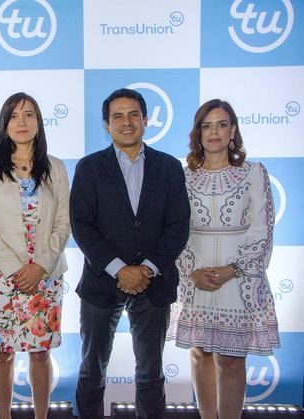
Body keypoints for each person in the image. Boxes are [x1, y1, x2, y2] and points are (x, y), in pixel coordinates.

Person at [70, 88, 191, 419]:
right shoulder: (89, 167)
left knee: (151, 372)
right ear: (106, 124)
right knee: (92, 370)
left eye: (133, 114)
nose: (126, 122)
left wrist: (147, 269)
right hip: (101, 282)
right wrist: (119, 269)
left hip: (154, 284)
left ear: (146, 120)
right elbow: (82, 225)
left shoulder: (168, 167)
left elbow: (178, 225)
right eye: (117, 116)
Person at [167, 99, 279, 419]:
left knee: (231, 360)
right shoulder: (182, 176)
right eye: (207, 125)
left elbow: (262, 228)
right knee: (200, 354)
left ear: (233, 131)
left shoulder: (254, 173)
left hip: (239, 280)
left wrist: (234, 269)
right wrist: (191, 271)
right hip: (196, 278)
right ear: (197, 133)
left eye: (221, 124)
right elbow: (175, 229)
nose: (214, 132)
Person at [0, 92, 70, 419]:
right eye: (14, 115)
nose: (22, 122)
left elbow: (63, 223)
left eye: (29, 115)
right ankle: (4, 415)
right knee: (4, 354)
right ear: (4, 124)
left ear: (39, 123)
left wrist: (39, 266)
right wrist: (16, 269)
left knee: (40, 354)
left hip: (45, 276)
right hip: (0, 279)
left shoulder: (55, 167)